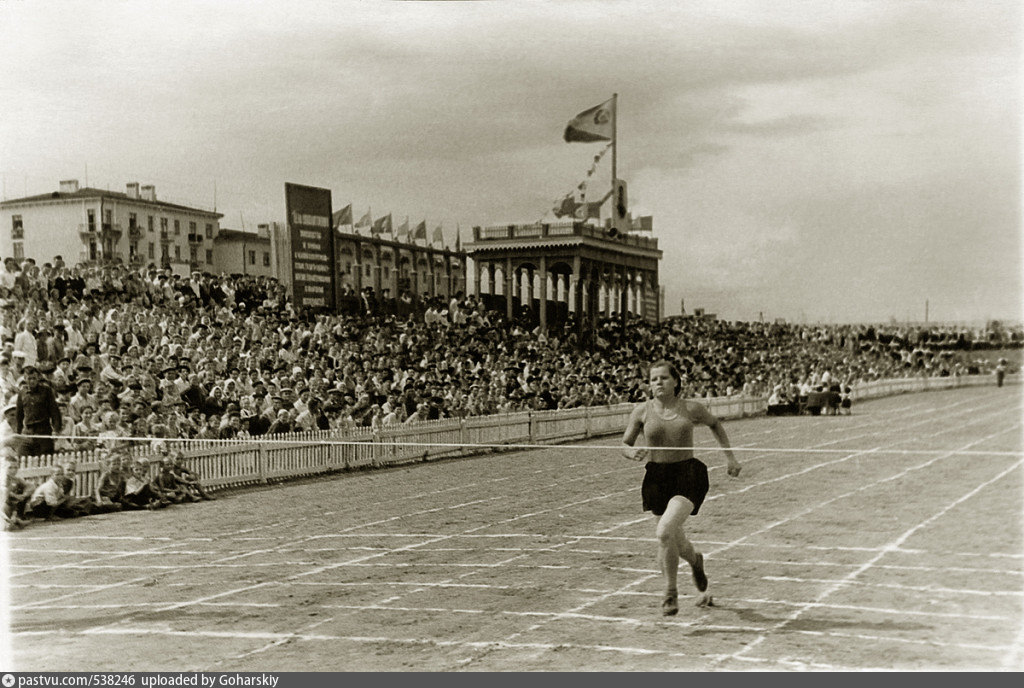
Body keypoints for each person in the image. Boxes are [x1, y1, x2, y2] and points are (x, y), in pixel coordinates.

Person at [621, 359, 741, 616]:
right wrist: (631, 454)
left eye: (664, 378)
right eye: (653, 379)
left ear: (676, 381)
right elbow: (625, 443)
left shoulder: (691, 408)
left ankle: (670, 593)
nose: (658, 383)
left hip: (687, 474)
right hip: (656, 477)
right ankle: (696, 561)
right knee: (675, 539)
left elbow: (715, 424)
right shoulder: (641, 412)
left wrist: (730, 457)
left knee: (664, 532)